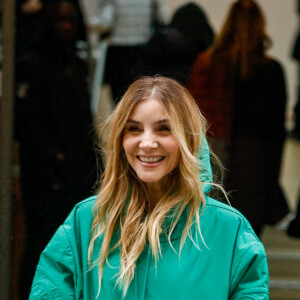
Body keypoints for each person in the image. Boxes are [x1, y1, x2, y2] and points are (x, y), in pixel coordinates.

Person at [29, 76, 269, 299]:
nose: (146, 143)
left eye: (164, 129)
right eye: (134, 129)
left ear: (189, 138)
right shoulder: (86, 222)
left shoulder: (229, 231)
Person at [15, 0, 98, 297]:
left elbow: (83, 121)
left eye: (70, 19)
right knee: (41, 246)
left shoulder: (74, 64)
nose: (66, 26)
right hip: (45, 178)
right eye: (59, 19)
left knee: (75, 249)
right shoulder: (32, 63)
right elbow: (27, 125)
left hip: (76, 177)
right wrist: (56, 159)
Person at [188, 0, 289, 236]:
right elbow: (275, 133)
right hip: (254, 163)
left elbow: (193, 115)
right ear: (260, 26)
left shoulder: (206, 64)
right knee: (245, 239)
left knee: (212, 235)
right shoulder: (272, 71)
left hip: (213, 156)